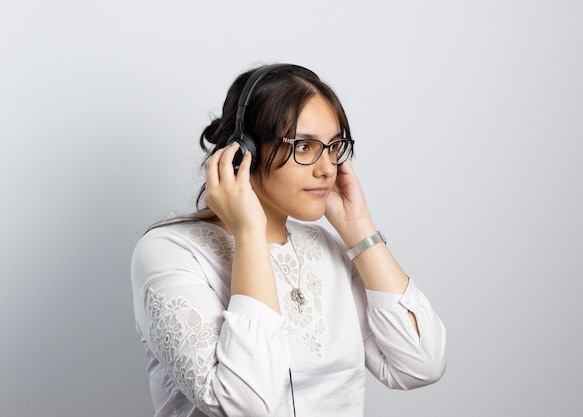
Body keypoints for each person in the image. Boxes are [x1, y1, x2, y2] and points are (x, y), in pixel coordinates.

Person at [131, 63, 447, 417]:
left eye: (334, 146)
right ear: (243, 150)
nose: (327, 167)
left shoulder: (329, 250)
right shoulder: (172, 253)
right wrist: (250, 233)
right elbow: (246, 404)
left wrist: (358, 228)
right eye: (305, 146)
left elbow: (422, 363)